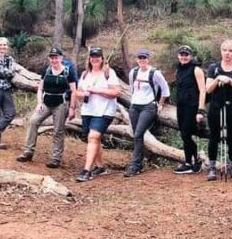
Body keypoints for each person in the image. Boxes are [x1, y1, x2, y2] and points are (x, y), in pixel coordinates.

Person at [16, 47, 77, 168]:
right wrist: (39, 103)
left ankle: (56, 159)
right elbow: (40, 88)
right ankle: (28, 151)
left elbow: (74, 91)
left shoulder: (68, 71)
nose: (54, 60)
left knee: (58, 130)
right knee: (33, 121)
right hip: (46, 102)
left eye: (56, 57)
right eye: (52, 58)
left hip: (61, 103)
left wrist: (72, 108)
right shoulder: (47, 70)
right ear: (49, 59)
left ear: (61, 58)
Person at [76, 47, 121, 182]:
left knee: (93, 136)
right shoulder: (85, 74)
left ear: (102, 58)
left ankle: (86, 170)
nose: (95, 59)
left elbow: (116, 92)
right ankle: (100, 166)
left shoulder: (108, 73)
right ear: (89, 58)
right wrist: (84, 94)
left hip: (104, 111)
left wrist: (96, 90)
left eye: (98, 56)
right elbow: (77, 93)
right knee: (93, 139)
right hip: (88, 110)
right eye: (92, 56)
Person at [205, 39, 232, 181]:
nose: (227, 53)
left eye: (230, 51)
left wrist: (230, 81)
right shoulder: (214, 68)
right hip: (216, 106)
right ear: (221, 51)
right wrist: (218, 79)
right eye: (225, 50)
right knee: (214, 136)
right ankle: (211, 167)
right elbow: (208, 89)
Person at [125, 49, 170, 177]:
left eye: (144, 58)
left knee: (139, 134)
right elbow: (132, 89)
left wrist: (160, 104)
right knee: (136, 135)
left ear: (148, 59)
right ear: (137, 59)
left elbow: (165, 90)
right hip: (134, 106)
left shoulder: (155, 73)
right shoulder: (133, 72)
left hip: (148, 106)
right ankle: (140, 161)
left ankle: (135, 165)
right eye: (139, 58)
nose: (142, 60)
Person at [172, 45, 207, 175]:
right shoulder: (179, 69)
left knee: (186, 134)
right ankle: (195, 161)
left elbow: (203, 90)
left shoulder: (196, 69)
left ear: (190, 56)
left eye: (186, 55)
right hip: (181, 106)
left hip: (192, 107)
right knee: (183, 134)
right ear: (178, 56)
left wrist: (200, 111)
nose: (183, 57)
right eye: (181, 54)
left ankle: (189, 163)